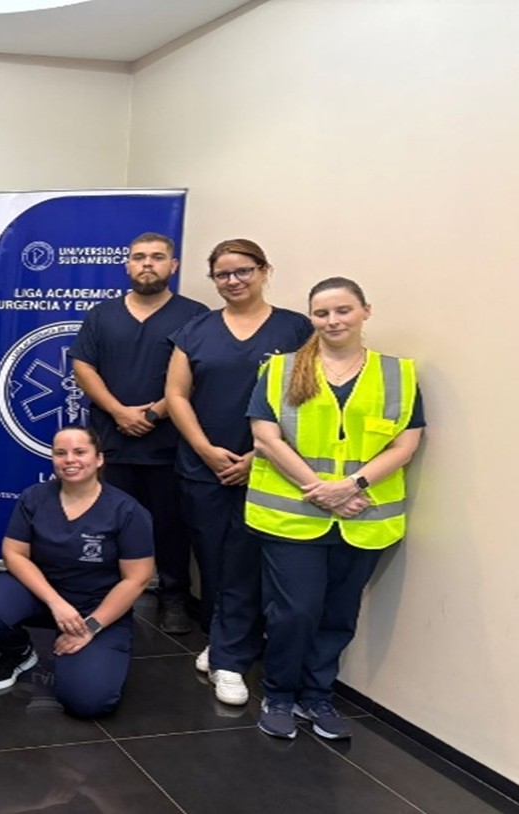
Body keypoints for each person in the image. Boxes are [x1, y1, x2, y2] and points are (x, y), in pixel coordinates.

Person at [246, 277, 424, 740]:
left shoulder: (397, 374)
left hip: (365, 517)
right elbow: (265, 436)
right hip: (292, 514)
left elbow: (406, 442)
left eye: (343, 310)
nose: (333, 320)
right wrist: (319, 488)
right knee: (296, 611)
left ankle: (316, 697)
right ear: (311, 319)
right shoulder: (282, 369)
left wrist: (352, 485)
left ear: (366, 310)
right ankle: (279, 695)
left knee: (339, 614)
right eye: (322, 313)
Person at [164, 238, 313, 707]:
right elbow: (177, 395)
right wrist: (206, 450)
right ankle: (223, 642)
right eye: (223, 274)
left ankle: (230, 652)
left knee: (249, 563)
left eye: (243, 271)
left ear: (265, 270)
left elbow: (309, 399)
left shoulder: (295, 329)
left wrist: (260, 456)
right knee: (213, 561)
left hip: (270, 467)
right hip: (203, 465)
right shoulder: (196, 330)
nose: (233, 281)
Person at [0, 426, 154, 718]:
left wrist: (90, 627)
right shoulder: (34, 497)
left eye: (80, 452)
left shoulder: (126, 511)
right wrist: (55, 603)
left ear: (99, 459)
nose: (69, 460)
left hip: (96, 607)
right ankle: (20, 653)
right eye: (60, 453)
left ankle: (93, 651)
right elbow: (14, 554)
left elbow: (137, 578)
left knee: (89, 702)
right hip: (41, 596)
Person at [71, 232, 208, 634]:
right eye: (139, 257)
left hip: (168, 442)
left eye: (157, 257)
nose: (147, 263)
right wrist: (118, 412)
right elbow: (84, 367)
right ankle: (107, 599)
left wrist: (152, 414)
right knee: (108, 524)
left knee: (170, 525)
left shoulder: (196, 315)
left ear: (173, 266)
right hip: (111, 441)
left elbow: (199, 372)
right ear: (127, 265)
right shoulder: (102, 314)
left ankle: (173, 598)